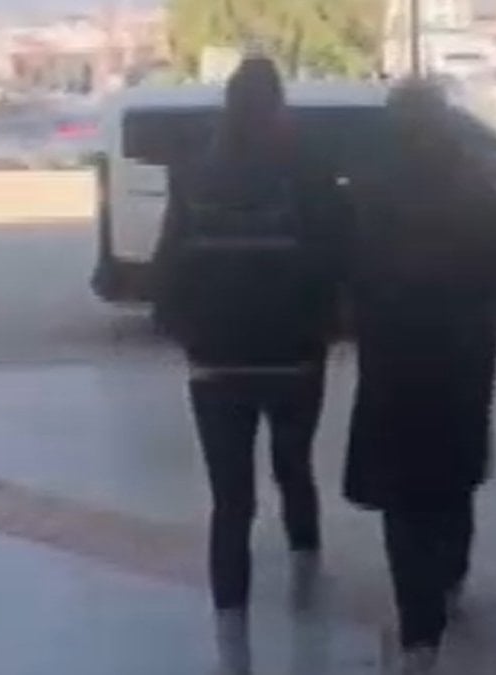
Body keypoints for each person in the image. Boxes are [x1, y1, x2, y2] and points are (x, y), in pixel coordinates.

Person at [149, 55, 349, 675]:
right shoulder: (308, 172)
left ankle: (231, 627)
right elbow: (336, 257)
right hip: (293, 357)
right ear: (277, 108)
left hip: (216, 364)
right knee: (295, 468)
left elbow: (168, 268)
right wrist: (324, 325)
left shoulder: (194, 176)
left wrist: (188, 333)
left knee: (230, 499)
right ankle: (306, 576)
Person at [342, 80, 496, 674]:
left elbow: (346, 270)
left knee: (403, 495)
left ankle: (418, 629)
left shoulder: (368, 190)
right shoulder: (477, 188)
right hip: (463, 354)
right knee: (454, 474)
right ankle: (449, 577)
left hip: (393, 355)